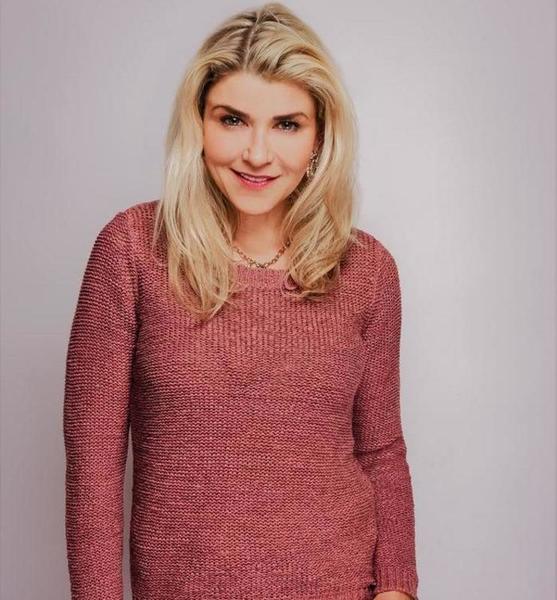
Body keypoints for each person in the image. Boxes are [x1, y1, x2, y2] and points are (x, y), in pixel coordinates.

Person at [63, 3, 420, 600]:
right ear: (198, 124)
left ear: (319, 137)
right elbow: (92, 461)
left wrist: (397, 590)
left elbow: (381, 450)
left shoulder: (367, 269)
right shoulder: (131, 250)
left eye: (287, 125)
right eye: (232, 120)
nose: (257, 153)